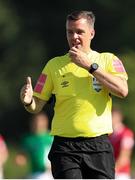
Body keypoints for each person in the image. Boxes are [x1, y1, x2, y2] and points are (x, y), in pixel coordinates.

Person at [20, 10, 128, 179]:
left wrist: (90, 66)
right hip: (65, 147)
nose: (74, 37)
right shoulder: (54, 65)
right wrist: (28, 102)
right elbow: (36, 106)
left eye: (79, 32)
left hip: (98, 145)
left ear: (92, 33)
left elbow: (122, 90)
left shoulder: (108, 60)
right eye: (70, 32)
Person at [15, 111, 54, 179]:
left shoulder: (52, 137)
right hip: (36, 173)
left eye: (41, 121)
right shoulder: (28, 139)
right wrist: (20, 159)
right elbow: (23, 155)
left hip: (51, 173)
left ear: (46, 122)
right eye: (36, 121)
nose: (38, 124)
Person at [109, 107, 135, 179]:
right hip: (111, 172)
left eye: (112, 116)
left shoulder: (127, 134)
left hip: (121, 174)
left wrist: (110, 170)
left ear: (119, 117)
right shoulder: (109, 135)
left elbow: (124, 158)